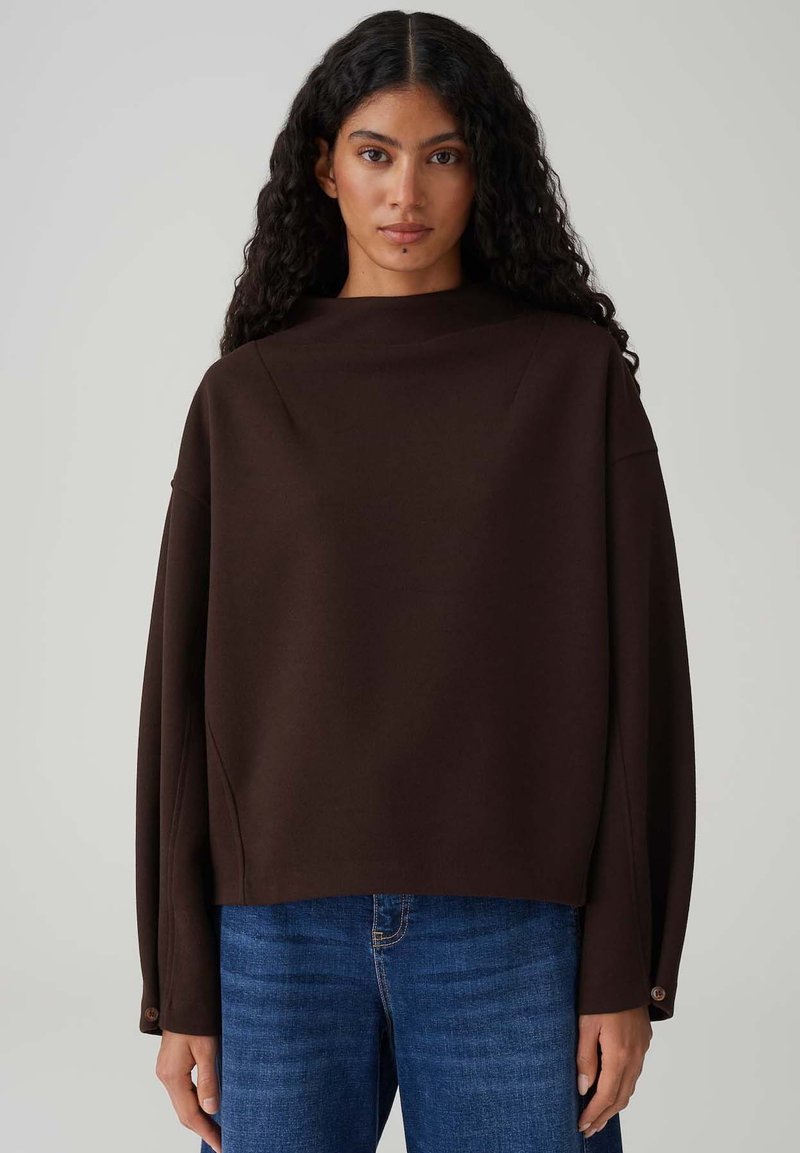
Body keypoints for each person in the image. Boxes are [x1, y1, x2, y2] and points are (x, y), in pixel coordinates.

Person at [134, 11, 696, 1153]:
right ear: (324, 169)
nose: (406, 193)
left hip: (515, 935)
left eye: (443, 154)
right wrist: (180, 978)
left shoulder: (572, 380)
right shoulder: (244, 397)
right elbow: (183, 706)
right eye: (374, 153)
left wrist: (624, 963)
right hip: (277, 943)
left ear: (485, 172)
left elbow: (642, 684)